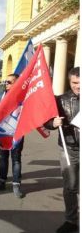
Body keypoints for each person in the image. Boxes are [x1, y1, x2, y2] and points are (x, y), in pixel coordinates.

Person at [44, 67, 79, 233]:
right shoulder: (61, 100)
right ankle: (71, 220)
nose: (78, 86)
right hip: (69, 148)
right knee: (70, 186)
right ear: (69, 81)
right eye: (75, 83)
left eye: (81, 82)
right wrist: (53, 123)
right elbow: (47, 121)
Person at [0, 74, 24, 198]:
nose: (6, 84)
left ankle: (16, 185)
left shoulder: (22, 96)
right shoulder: (0, 95)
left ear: (17, 83)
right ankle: (2, 182)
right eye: (6, 82)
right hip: (2, 132)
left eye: (9, 82)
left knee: (16, 159)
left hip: (16, 132)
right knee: (3, 158)